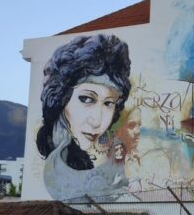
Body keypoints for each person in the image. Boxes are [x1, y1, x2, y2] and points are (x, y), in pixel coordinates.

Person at [35, 34, 131, 200]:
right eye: (86, 99)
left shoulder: (85, 159)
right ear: (60, 98)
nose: (97, 121)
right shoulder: (58, 158)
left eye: (108, 103)